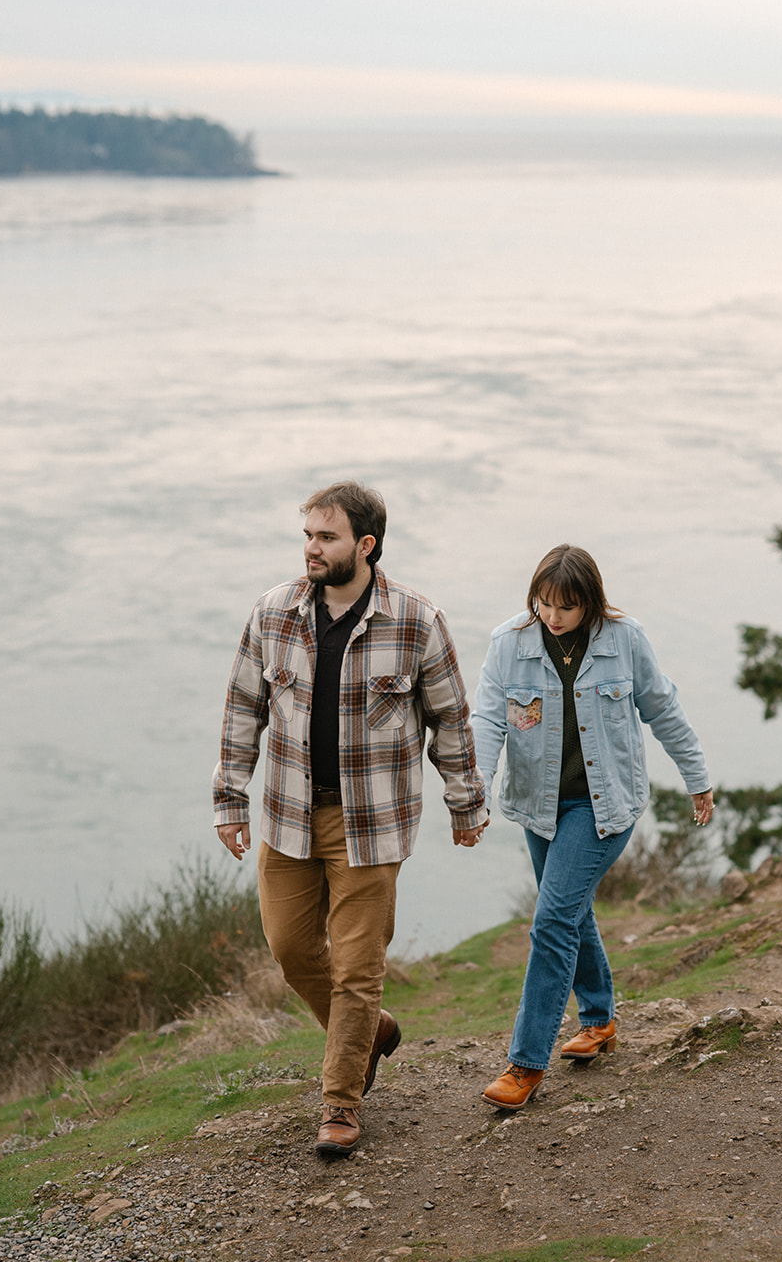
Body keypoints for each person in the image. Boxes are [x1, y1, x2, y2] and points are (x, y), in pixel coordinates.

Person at [213, 481, 488, 1156]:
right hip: (287, 816)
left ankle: (340, 1103)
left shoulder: (417, 621)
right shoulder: (272, 612)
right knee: (289, 950)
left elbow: (450, 720)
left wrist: (464, 803)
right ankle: (373, 1030)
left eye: (325, 537)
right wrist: (229, 798)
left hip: (371, 823)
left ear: (364, 546)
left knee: (356, 970)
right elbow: (242, 709)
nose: (311, 548)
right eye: (307, 535)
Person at [472, 544, 713, 1109]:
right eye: (543, 603)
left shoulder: (625, 640)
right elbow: (486, 718)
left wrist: (697, 777)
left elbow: (663, 708)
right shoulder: (509, 643)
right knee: (570, 912)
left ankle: (525, 1064)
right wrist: (474, 791)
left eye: (566, 607)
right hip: (538, 805)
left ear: (591, 603)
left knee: (552, 919)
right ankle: (600, 1020)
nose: (552, 617)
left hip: (603, 807)